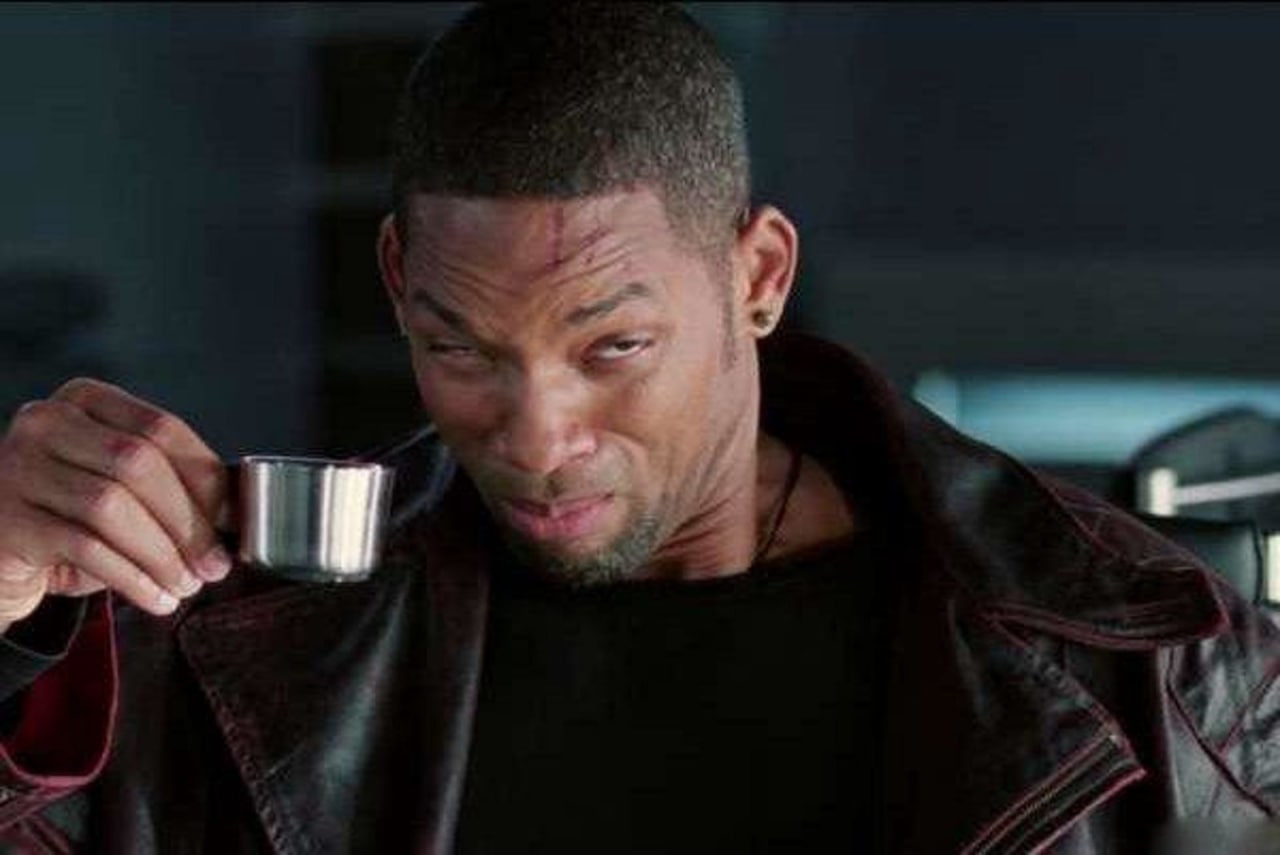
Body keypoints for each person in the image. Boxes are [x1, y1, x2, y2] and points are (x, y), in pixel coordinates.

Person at [0, 3, 1276, 853]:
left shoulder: (1151, 671)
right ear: (396, 282)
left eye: (612, 347)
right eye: (461, 349)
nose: (536, 437)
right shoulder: (241, 655)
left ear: (756, 276)